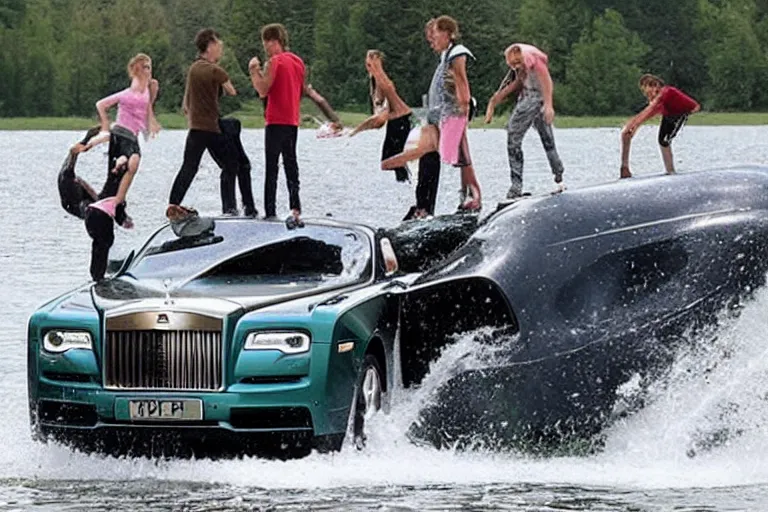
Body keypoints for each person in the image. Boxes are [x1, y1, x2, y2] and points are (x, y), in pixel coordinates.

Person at [382, 16, 481, 212]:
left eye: (434, 35)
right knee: (450, 157)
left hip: (454, 114)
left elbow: (462, 84)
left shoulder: (456, 53)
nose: (431, 41)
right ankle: (455, 198)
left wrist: (464, 108)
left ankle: (474, 196)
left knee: (461, 157)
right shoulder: (445, 56)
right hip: (441, 116)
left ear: (447, 34)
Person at [167, 28, 243, 219]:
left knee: (189, 167)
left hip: (195, 129)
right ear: (209, 46)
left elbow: (186, 104)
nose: (221, 51)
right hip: (211, 128)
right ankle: (230, 209)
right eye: (219, 46)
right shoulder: (215, 70)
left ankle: (173, 204)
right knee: (230, 165)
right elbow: (232, 91)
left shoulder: (193, 69)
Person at [248, 23, 306, 228]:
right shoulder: (298, 62)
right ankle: (295, 208)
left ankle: (270, 211)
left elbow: (263, 90)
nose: (265, 48)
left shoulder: (275, 61)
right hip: (292, 119)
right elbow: (299, 90)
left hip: (275, 120)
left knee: (272, 167)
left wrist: (254, 71)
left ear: (273, 42)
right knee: (291, 164)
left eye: (266, 43)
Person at [490, 43, 564, 199]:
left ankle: (516, 186)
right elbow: (517, 82)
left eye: (517, 64)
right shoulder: (523, 64)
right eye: (513, 65)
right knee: (547, 139)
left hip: (534, 99)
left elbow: (546, 81)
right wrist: (497, 99)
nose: (516, 67)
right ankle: (558, 171)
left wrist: (549, 105)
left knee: (513, 136)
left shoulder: (533, 60)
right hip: (537, 100)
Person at [95, 53, 160, 206]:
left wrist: (151, 121)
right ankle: (116, 198)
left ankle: (116, 199)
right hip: (122, 132)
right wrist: (105, 125)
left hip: (131, 135)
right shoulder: (128, 93)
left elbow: (148, 105)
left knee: (128, 166)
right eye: (145, 68)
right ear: (137, 70)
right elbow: (101, 104)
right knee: (133, 161)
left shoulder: (149, 87)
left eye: (149, 67)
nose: (149, 71)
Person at [349, 49, 413, 183]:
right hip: (398, 122)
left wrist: (355, 131)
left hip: (400, 121)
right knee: (391, 163)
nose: (368, 65)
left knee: (391, 162)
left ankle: (409, 188)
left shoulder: (382, 83)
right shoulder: (377, 82)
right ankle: (407, 186)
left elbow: (379, 120)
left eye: (371, 62)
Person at [620, 74, 700, 178]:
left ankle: (671, 172)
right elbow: (646, 114)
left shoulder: (666, 92)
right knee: (662, 141)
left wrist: (632, 125)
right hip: (669, 113)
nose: (646, 94)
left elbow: (649, 110)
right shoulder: (659, 100)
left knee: (664, 141)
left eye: (646, 89)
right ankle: (669, 171)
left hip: (681, 112)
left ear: (656, 85)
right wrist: (633, 127)